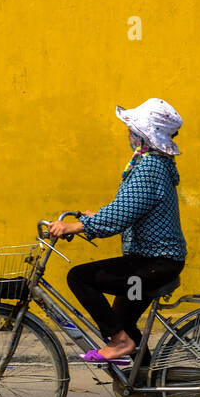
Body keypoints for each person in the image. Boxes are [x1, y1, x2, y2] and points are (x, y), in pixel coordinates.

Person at [48, 98, 186, 366]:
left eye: (132, 129)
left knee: (79, 277)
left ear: (144, 135)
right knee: (123, 321)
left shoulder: (149, 167)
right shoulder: (152, 163)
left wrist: (76, 226)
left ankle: (119, 342)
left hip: (151, 265)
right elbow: (131, 207)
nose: (128, 133)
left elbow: (123, 213)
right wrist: (96, 217)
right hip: (152, 265)